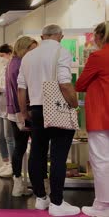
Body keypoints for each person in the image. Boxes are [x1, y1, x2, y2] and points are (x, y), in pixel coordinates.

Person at [17, 24, 80, 216]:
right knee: (59, 156)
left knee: (37, 152)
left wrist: (23, 112)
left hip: (36, 108)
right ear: (60, 36)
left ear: (42, 36)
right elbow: (64, 83)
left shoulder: (28, 56)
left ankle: (41, 198)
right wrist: (74, 104)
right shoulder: (61, 51)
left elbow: (21, 88)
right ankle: (57, 203)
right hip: (58, 107)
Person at [76, 22, 109, 217]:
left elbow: (80, 83)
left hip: (101, 114)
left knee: (101, 160)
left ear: (99, 36)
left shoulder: (97, 56)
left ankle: (103, 204)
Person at [6, 36, 38, 197]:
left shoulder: (13, 63)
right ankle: (31, 183)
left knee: (20, 147)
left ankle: (19, 184)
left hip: (15, 111)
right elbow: (21, 90)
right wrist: (25, 112)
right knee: (31, 148)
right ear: (24, 49)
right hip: (24, 111)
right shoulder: (20, 65)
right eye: (31, 50)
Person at [0, 44, 15, 178]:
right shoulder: (3, 69)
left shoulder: (14, 67)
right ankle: (5, 163)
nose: (1, 59)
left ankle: (12, 164)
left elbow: (12, 88)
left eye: (2, 56)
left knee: (9, 136)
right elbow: (1, 87)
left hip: (8, 105)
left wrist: (0, 88)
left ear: (10, 53)